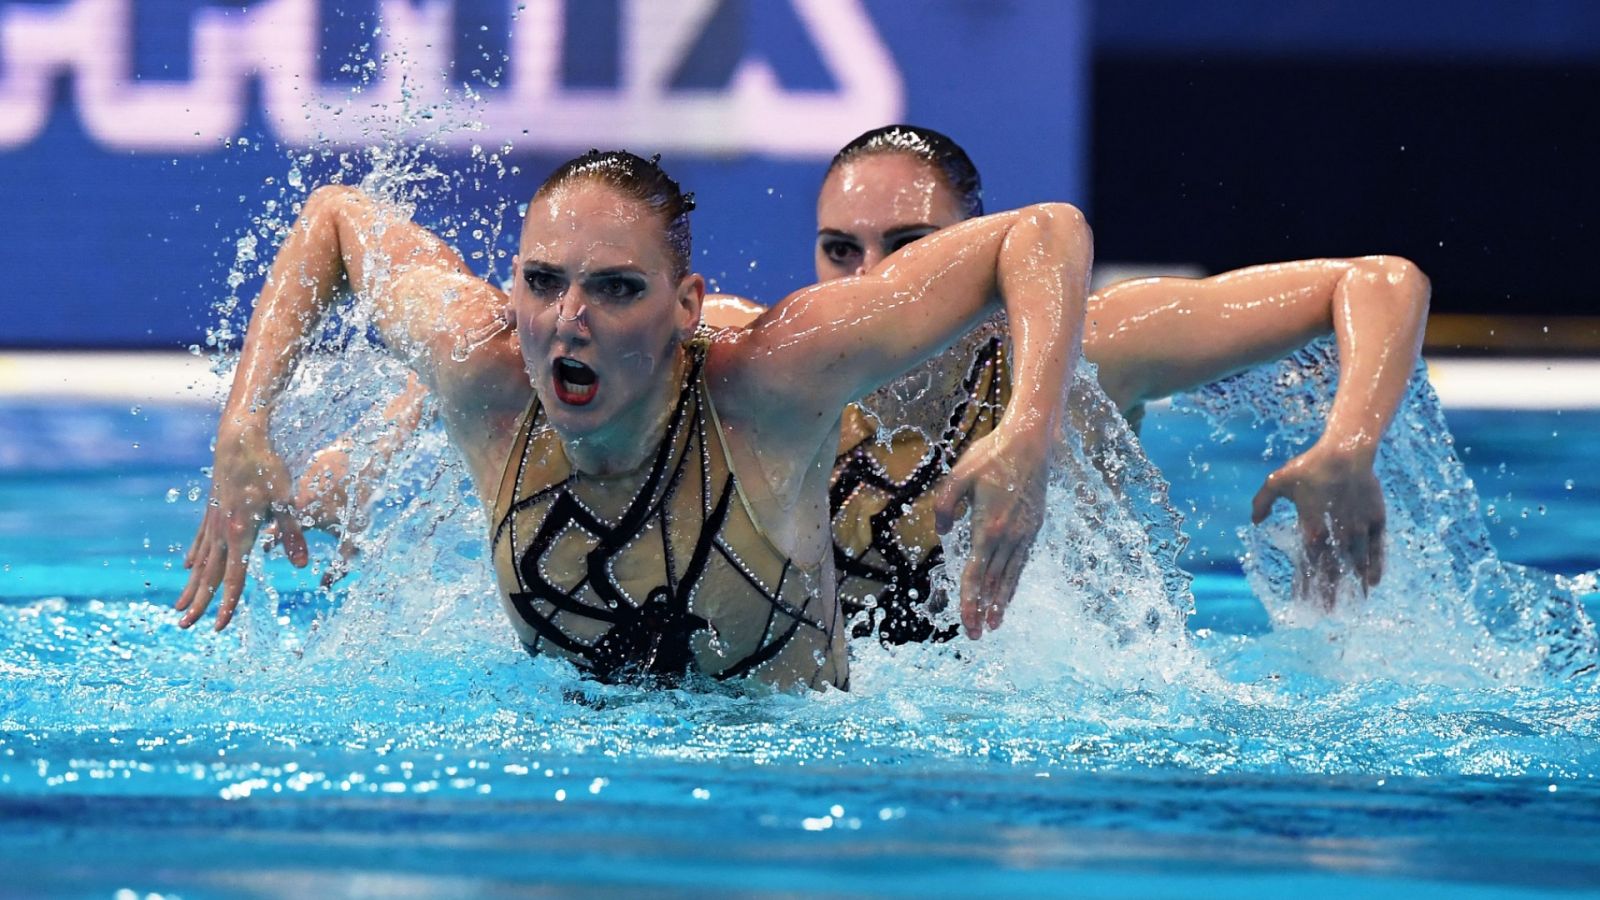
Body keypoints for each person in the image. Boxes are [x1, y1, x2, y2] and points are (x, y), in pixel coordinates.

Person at [174, 150, 1092, 690]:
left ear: (682, 301)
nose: (570, 317)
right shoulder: (482, 363)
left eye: (616, 289)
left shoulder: (773, 381)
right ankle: (373, 446)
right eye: (542, 283)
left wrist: (1028, 432)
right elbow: (335, 221)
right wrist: (242, 427)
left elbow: (1043, 232)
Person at [713, 125, 1428, 644]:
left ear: (975, 244)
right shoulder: (775, 373)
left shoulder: (1090, 354)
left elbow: (1379, 283)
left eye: (911, 247)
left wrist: (1348, 446)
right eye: (840, 250)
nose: (872, 279)